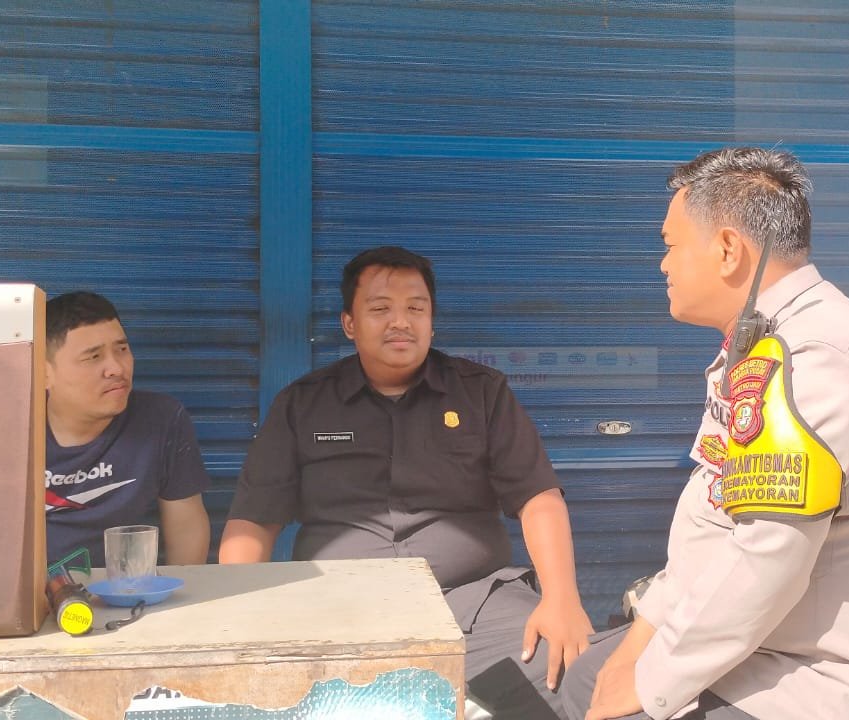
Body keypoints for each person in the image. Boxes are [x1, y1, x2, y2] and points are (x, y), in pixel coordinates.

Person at [562, 148, 849, 720]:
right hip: (763, 648)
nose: (662, 265)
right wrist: (638, 644)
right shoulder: (761, 346)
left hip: (822, 677)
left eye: (671, 245)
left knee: (612, 704)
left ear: (727, 250)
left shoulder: (816, 357)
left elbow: (769, 555)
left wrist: (652, 681)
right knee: (587, 678)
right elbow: (709, 519)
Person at [219, 246, 592, 719]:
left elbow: (538, 498)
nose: (401, 322)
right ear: (349, 323)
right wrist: (238, 619)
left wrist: (562, 600)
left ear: (432, 322)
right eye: (380, 309)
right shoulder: (302, 405)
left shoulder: (482, 392)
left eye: (416, 308)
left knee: (568, 666)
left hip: (471, 604)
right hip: (333, 609)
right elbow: (253, 520)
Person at [43, 291, 211, 568]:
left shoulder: (160, 419)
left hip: (126, 586)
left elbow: (186, 527)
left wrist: (184, 589)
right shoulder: (9, 430)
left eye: (121, 350)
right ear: (44, 373)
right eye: (93, 357)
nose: (116, 368)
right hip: (33, 590)